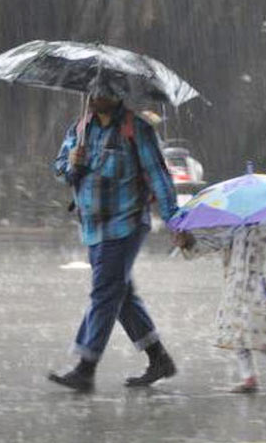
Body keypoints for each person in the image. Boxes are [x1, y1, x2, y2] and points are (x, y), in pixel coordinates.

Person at [48, 77, 180, 391]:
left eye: (102, 92)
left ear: (117, 95)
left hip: (126, 224)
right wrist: (71, 163)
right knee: (120, 295)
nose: (95, 97)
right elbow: (59, 169)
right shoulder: (80, 128)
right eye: (92, 92)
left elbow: (160, 177)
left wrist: (176, 223)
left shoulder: (137, 130)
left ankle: (85, 367)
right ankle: (159, 357)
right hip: (93, 227)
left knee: (105, 292)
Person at [175, 221, 266, 393]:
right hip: (251, 289)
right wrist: (188, 241)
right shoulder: (255, 230)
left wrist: (190, 242)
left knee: (245, 332)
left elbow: (214, 243)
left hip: (249, 290)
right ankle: (257, 373)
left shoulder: (253, 231)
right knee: (245, 334)